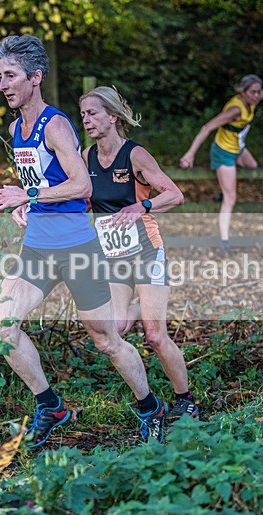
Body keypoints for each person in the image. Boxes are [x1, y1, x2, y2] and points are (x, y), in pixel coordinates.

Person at [0, 35, 168, 447]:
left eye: (10, 75)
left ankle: (150, 406)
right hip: (37, 246)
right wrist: (26, 204)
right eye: (0, 76)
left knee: (105, 339)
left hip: (76, 248)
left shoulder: (55, 124)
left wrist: (28, 195)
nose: (3, 84)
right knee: (3, 325)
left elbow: (81, 183)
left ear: (35, 78)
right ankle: (50, 405)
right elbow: (41, 183)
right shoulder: (17, 127)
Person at [78, 86, 199, 420]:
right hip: (114, 257)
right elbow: (87, 199)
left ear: (113, 116)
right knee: (115, 329)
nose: (87, 120)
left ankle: (186, 399)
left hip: (146, 252)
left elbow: (175, 195)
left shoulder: (135, 156)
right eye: (84, 114)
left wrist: (141, 206)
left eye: (94, 113)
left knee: (155, 336)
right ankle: (143, 305)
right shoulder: (87, 157)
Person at [179, 72, 263, 249]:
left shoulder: (253, 100)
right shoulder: (235, 109)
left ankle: (222, 189)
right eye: (253, 92)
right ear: (243, 91)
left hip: (237, 148)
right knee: (231, 197)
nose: (256, 95)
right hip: (223, 151)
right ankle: (224, 241)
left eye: (258, 92)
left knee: (252, 166)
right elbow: (207, 127)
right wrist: (190, 153)